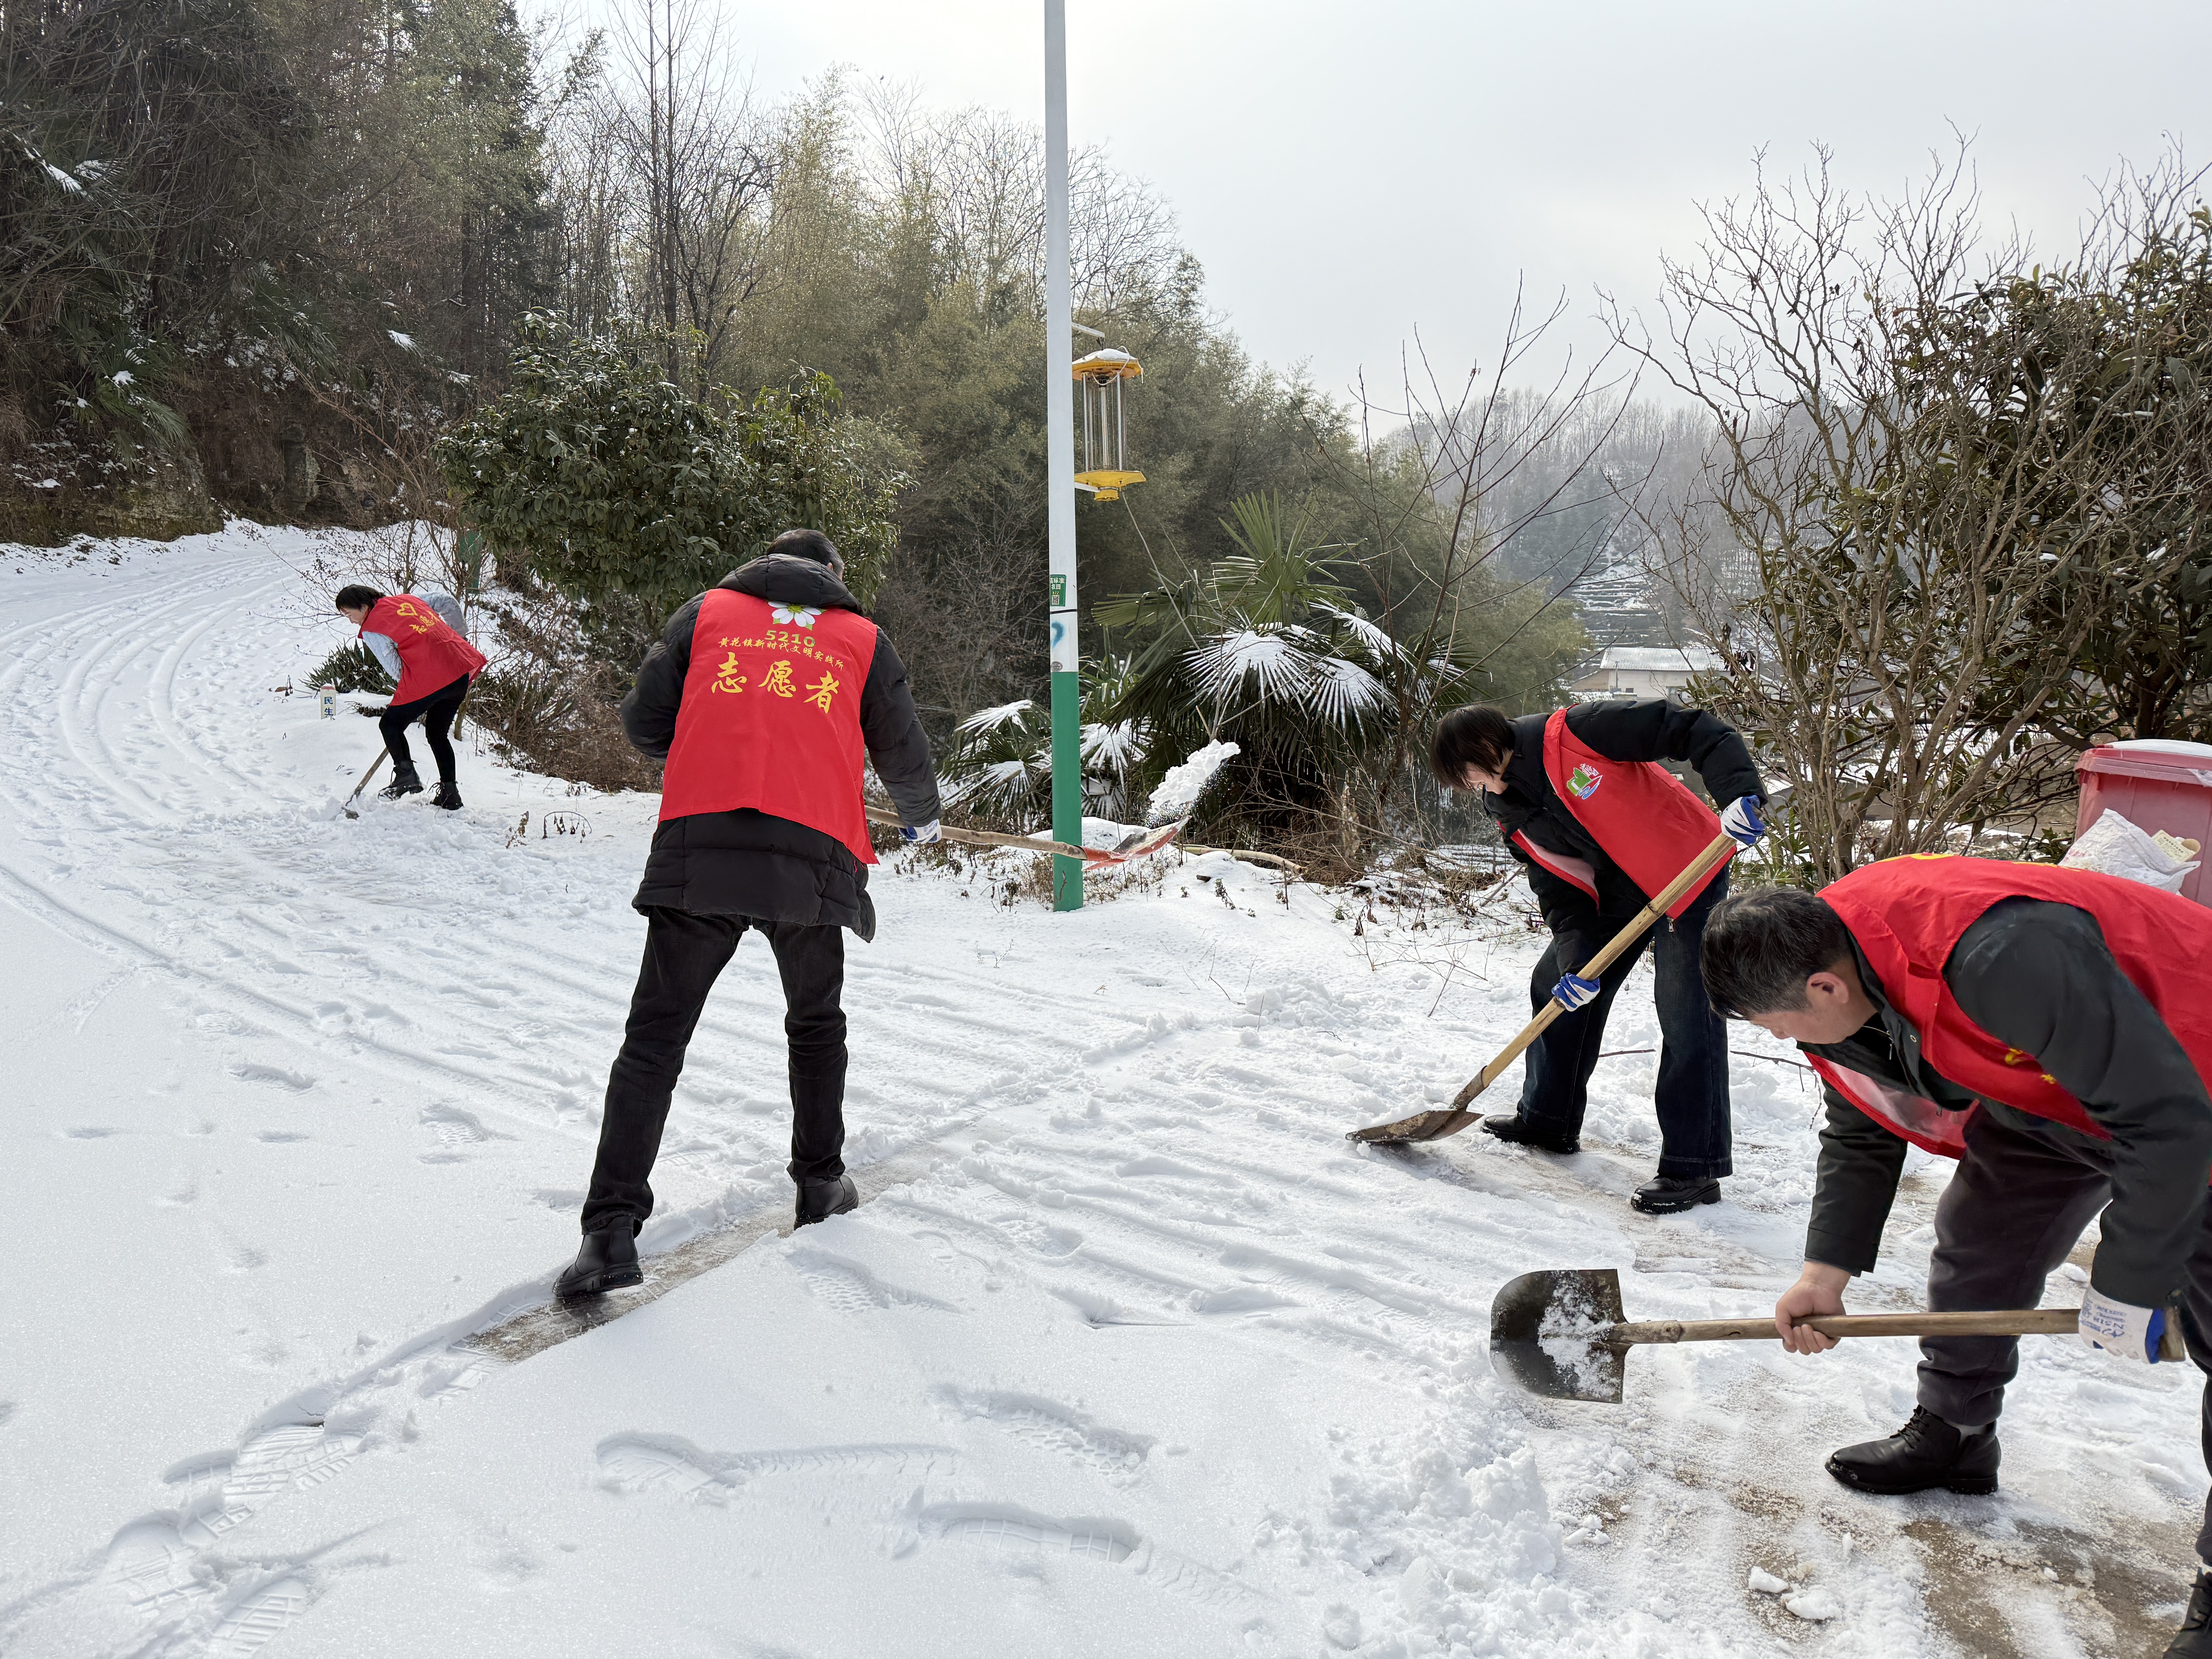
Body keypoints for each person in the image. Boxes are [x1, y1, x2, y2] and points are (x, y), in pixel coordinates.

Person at [1700, 861, 2212, 1656]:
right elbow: (1863, 1120)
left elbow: (2170, 1125)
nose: (1778, 1040)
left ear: (1825, 988)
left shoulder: (1998, 954)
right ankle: (1959, 1432)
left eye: (1775, 1024)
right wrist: (1822, 1275)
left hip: (2192, 1084)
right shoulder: (1829, 961)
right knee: (1980, 1241)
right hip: (2057, 1094)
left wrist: (2129, 1284)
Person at [556, 528, 942, 1298]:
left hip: (702, 842)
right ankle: (821, 1184)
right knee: (815, 1021)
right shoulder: (862, 638)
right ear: (831, 577)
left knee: (655, 1039)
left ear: (765, 567)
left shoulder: (706, 615)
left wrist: (709, 736)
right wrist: (921, 819)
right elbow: (903, 751)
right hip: (813, 851)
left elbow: (642, 726)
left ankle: (609, 1234)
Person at [1429, 699, 1767, 1213]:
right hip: (1618, 889)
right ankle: (1548, 1121)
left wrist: (1739, 793)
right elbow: (1558, 886)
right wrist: (1577, 958)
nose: (1474, 788)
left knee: (1685, 1012)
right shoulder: (1506, 805)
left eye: (1469, 776)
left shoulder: (1579, 733)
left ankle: (1693, 1169)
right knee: (1555, 985)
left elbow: (1697, 730)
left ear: (1485, 748)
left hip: (1687, 869)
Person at [334, 584, 486, 810]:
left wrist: (420, 687)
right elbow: (447, 602)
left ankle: (406, 776)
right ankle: (450, 794)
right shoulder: (410, 599)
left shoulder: (372, 628)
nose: (351, 621)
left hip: (430, 678)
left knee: (390, 725)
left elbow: (395, 668)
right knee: (437, 733)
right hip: (459, 671)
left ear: (364, 606)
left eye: (349, 614)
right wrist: (460, 637)